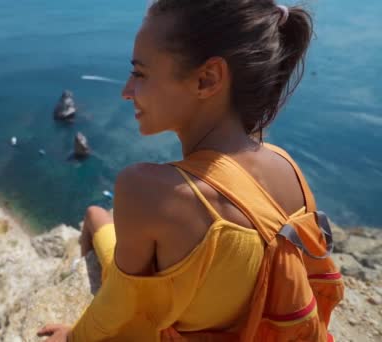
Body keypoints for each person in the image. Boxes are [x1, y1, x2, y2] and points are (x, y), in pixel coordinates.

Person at [39, 1, 342, 341]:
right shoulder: (288, 167)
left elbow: (120, 308)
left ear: (206, 79)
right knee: (97, 215)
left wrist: (72, 337)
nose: (126, 92)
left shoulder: (146, 188)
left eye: (139, 74)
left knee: (95, 216)